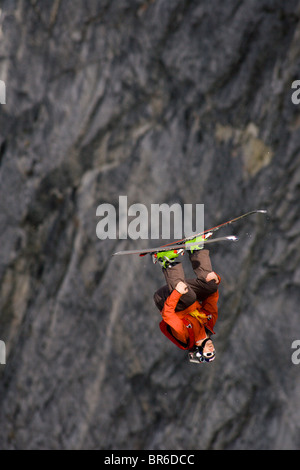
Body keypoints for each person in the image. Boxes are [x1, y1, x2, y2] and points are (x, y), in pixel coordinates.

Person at [153, 235, 220, 364]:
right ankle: (195, 249)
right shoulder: (210, 321)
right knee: (211, 286)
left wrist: (177, 293)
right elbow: (212, 297)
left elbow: (167, 315)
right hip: (184, 291)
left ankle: (167, 261)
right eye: (213, 352)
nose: (212, 349)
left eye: (208, 353)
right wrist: (215, 280)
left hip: (166, 299)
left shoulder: (186, 336)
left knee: (190, 298)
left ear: (199, 352)